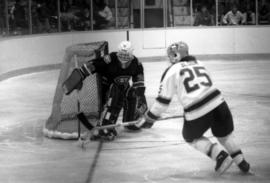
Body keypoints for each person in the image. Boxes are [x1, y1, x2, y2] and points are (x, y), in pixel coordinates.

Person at [137, 41, 251, 175]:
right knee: (224, 135)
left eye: (170, 55)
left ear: (175, 55)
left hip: (198, 110)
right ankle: (242, 163)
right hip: (219, 103)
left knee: (190, 137)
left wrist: (149, 119)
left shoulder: (171, 70)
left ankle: (220, 156)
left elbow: (162, 102)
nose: (169, 59)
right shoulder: (200, 63)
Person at [63, 41, 147, 140]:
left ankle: (130, 119)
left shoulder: (136, 63)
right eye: (122, 54)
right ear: (118, 52)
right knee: (115, 95)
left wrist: (140, 97)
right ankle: (106, 125)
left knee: (131, 92)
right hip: (107, 88)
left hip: (123, 86)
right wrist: (80, 74)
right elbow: (94, 64)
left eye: (126, 55)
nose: (124, 58)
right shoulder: (110, 59)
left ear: (131, 54)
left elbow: (139, 83)